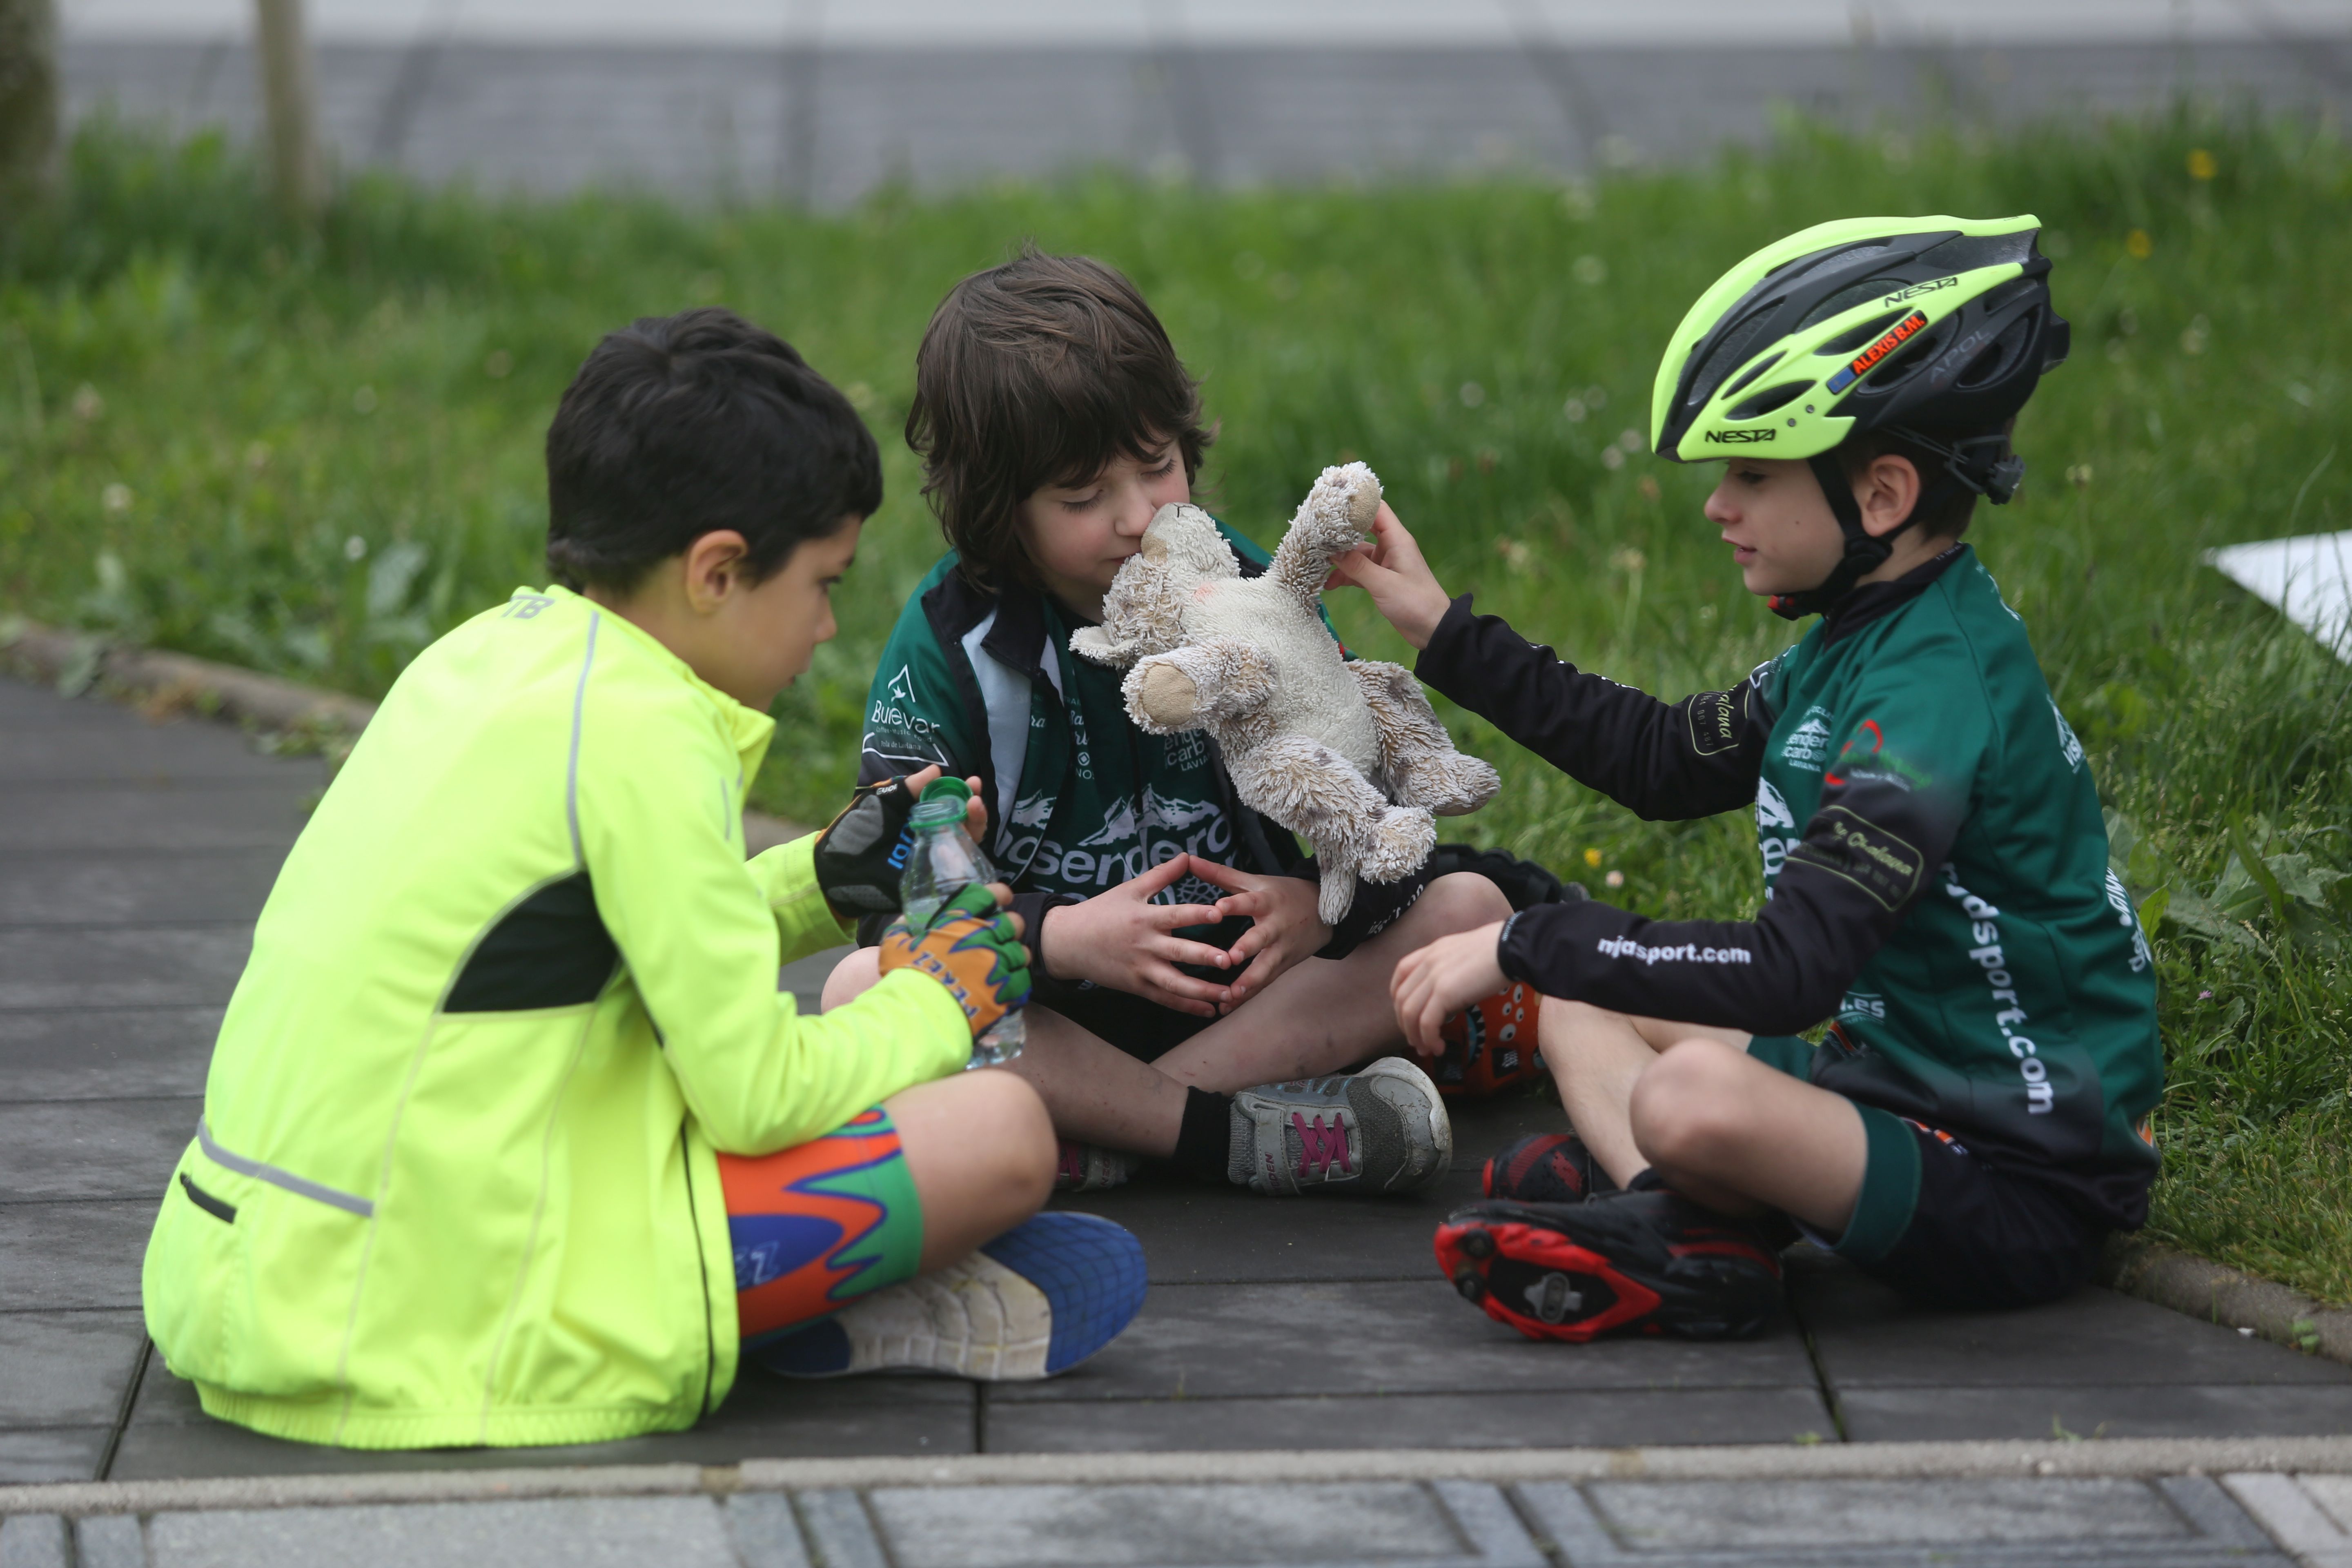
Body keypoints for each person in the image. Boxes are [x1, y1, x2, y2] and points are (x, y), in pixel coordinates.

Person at [140, 308, 1146, 1450]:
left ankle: (798, 1284)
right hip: (417, 1327)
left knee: (846, 1085)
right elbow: (756, 1094)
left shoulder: (485, 658)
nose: (825, 628)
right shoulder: (649, 735)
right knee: (1004, 1132)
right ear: (718, 571)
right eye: (821, 584)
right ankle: (775, 1301)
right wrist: (937, 999)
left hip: (249, 1275)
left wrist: (822, 879)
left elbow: (610, 940)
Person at [1339, 216, 2162, 1339]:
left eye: (1754, 473)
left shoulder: (1927, 697)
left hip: (2016, 1185)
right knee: (1580, 1000)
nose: (1720, 505)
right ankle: (1693, 1230)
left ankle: (1679, 1219)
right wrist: (1441, 628)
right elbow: (1663, 759)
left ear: (1879, 498)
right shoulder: (1861, 636)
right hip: (1893, 1087)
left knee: (1677, 1090)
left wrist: (1522, 937)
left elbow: (1789, 972)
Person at [824, 249, 1518, 1198]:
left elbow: (1362, 795)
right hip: (1053, 1003)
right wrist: (1062, 939)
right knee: (857, 987)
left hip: (1252, 999)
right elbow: (886, 884)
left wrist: (1314, 915)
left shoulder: (1248, 589)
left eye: (1158, 467)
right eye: (1080, 498)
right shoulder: (950, 644)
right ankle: (1232, 1136)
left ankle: (1115, 1127)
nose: (1138, 516)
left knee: (1472, 910)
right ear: (1000, 515)